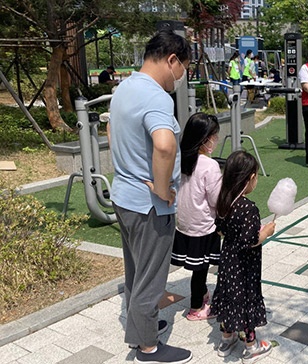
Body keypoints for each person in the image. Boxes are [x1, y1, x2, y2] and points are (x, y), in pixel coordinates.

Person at [108, 29, 192, 364]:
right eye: (184, 67)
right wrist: (161, 188)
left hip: (124, 197)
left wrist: (127, 168)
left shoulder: (124, 88)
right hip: (149, 205)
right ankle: (148, 347)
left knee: (136, 271)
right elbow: (164, 144)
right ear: (172, 60)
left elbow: (113, 131)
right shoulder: (157, 96)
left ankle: (139, 326)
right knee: (151, 276)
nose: (183, 76)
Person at [210, 150, 276, 363]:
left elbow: (219, 230)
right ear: (250, 178)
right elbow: (250, 241)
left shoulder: (223, 201)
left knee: (229, 298)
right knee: (245, 301)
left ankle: (226, 339)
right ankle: (251, 346)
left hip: (228, 259)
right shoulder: (248, 208)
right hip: (244, 265)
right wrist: (264, 233)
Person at [171, 112, 223, 321]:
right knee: (200, 269)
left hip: (184, 223)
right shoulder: (209, 165)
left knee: (197, 266)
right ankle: (196, 307)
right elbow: (216, 199)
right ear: (206, 139)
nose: (216, 140)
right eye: (214, 136)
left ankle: (201, 295)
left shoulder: (180, 159)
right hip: (203, 224)